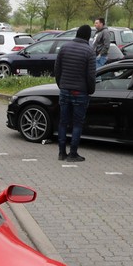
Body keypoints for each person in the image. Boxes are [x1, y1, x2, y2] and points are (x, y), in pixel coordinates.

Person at [54, 24, 96, 163]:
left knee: (63, 122)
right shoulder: (89, 51)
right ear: (88, 36)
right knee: (77, 124)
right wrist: (90, 90)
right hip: (80, 92)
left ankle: (61, 153)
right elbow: (91, 75)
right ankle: (73, 154)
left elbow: (57, 69)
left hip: (65, 90)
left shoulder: (64, 48)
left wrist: (61, 85)